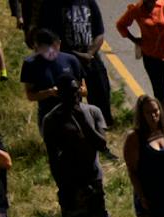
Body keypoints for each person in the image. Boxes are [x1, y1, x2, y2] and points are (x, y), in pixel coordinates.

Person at [41, 66, 115, 217]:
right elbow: (53, 157)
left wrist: (82, 119)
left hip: (93, 181)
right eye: (67, 93)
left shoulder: (92, 112)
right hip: (70, 184)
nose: (72, 97)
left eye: (75, 92)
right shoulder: (51, 120)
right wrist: (64, 186)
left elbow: (101, 144)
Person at [116, 0, 164, 129]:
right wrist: (135, 40)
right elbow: (120, 25)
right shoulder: (136, 9)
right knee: (160, 97)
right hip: (152, 59)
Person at [37, 0, 110, 128]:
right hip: (65, 60)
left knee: (101, 91)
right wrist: (74, 55)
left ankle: (101, 128)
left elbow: (99, 33)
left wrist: (89, 53)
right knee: (71, 98)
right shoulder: (51, 5)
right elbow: (46, 36)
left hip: (90, 58)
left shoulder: (88, 2)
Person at [18, 27, 83, 126]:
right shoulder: (30, 64)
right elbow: (30, 95)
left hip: (73, 113)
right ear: (37, 48)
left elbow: (84, 90)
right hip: (48, 115)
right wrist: (50, 92)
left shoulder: (71, 60)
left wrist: (72, 91)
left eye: (55, 46)